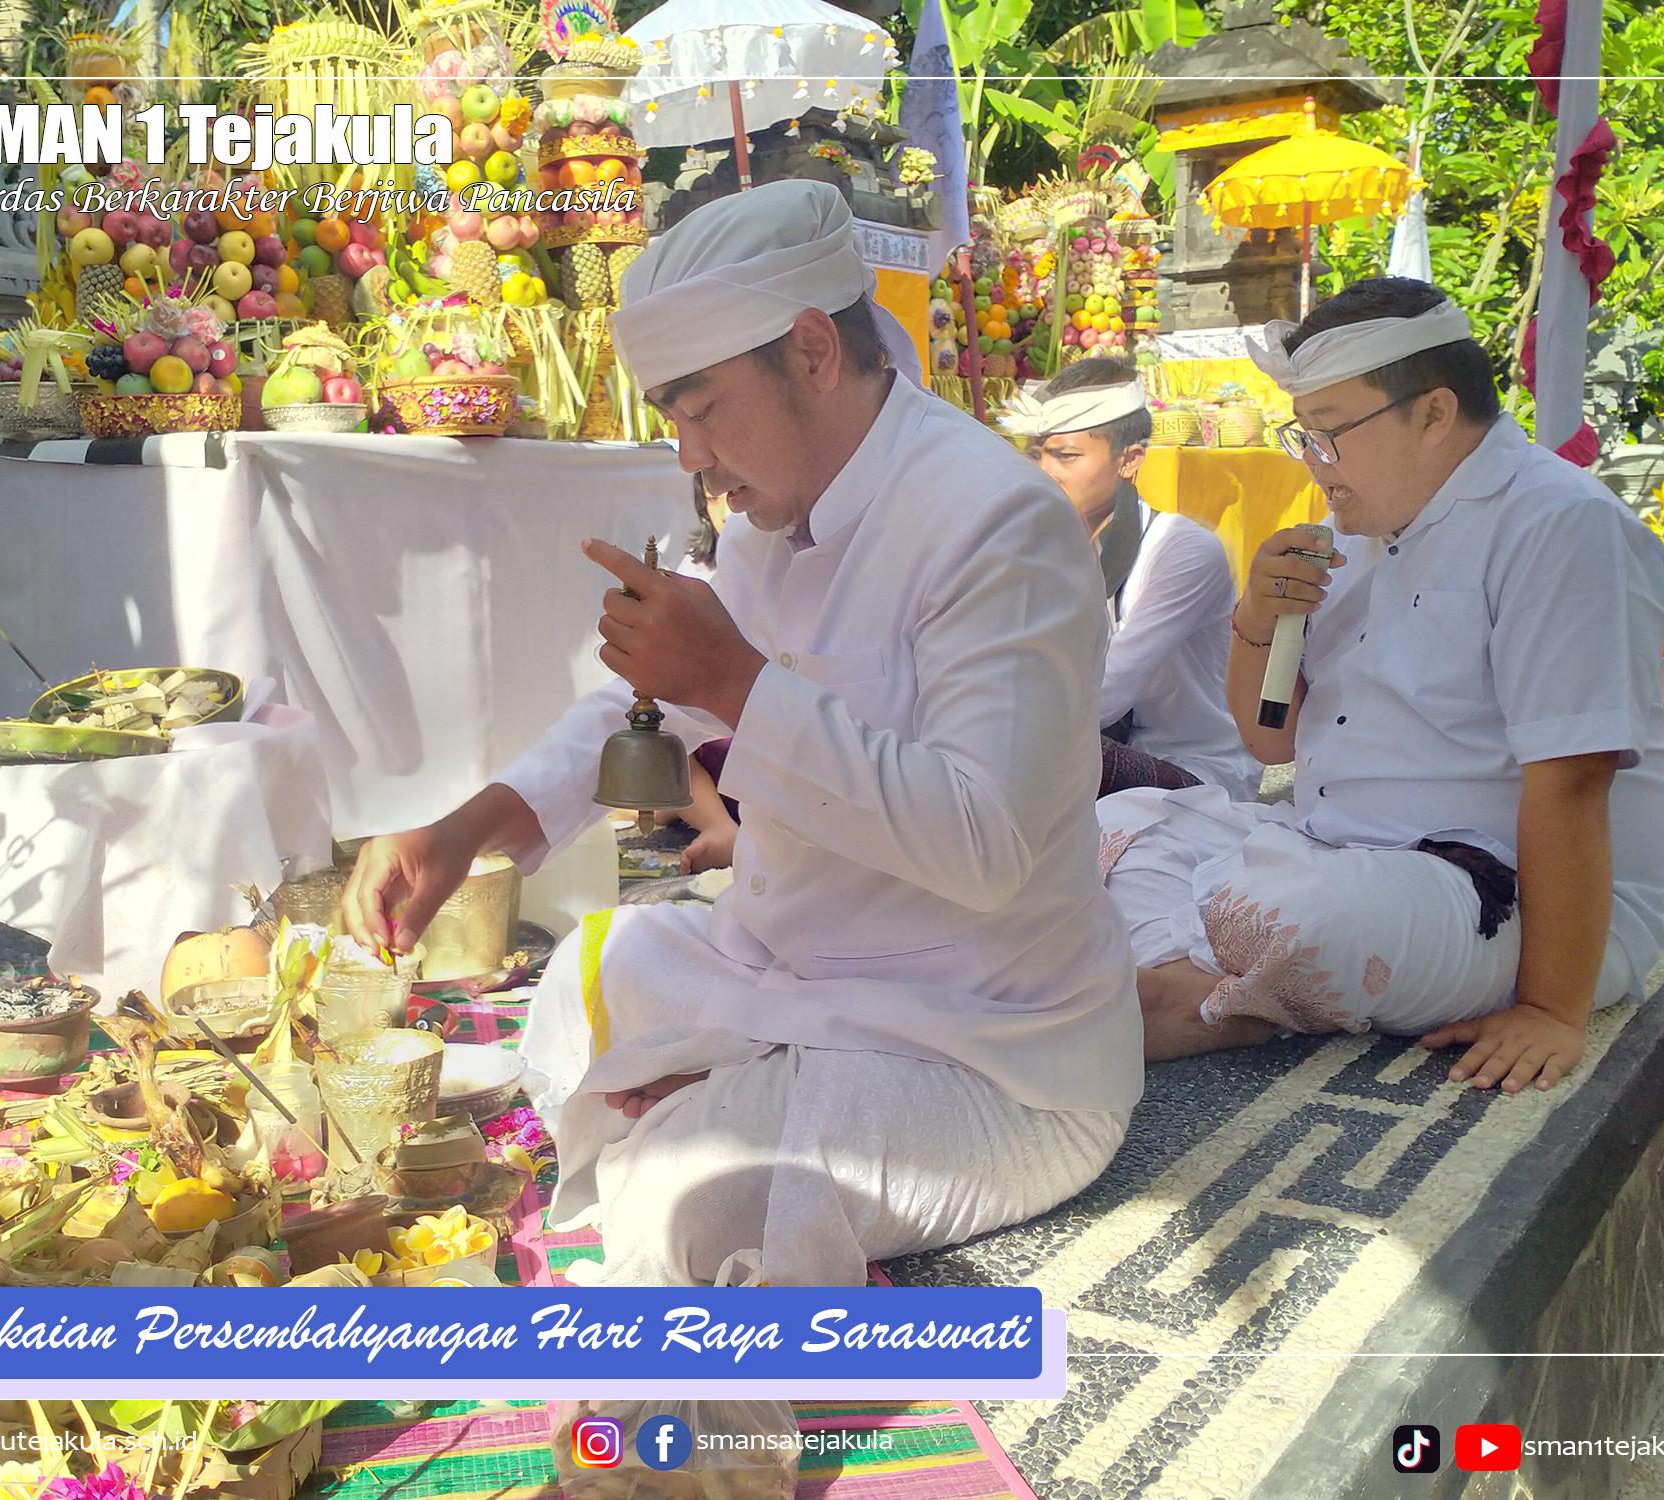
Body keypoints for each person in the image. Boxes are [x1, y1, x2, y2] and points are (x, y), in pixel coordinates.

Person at [342, 180, 1140, 1287]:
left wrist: (737, 680)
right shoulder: (772, 520)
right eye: (673, 417)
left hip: (981, 1048)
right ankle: (734, 1077)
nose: (688, 456)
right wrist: (461, 828)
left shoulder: (998, 525)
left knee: (687, 1190)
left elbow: (985, 844)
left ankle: (723, 1116)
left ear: (813, 350)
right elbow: (648, 710)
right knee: (598, 963)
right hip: (794, 976)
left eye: (702, 407)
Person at [1095, 278, 1664, 1093]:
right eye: (1303, 431)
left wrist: (1550, 1010)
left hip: (1501, 891)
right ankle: (1199, 988)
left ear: (1435, 414)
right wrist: (1259, 619)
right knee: (1110, 826)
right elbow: (1271, 740)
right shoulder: (1351, 532)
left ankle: (1182, 988)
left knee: (1293, 913)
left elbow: (1573, 781)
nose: (1309, 459)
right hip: (1330, 847)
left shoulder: (1560, 528)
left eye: (1328, 432)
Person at [1008, 356, 1261, 800]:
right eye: (1036, 455)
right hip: (1094, 749)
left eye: (1065, 456)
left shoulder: (1182, 549)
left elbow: (1103, 697)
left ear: (1130, 461)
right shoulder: (1044, 541)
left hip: (1195, 768)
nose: (1046, 473)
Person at [672, 476, 741, 875]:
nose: (727, 512)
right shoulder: (694, 575)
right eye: (716, 499)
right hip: (708, 740)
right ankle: (718, 826)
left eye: (735, 496)